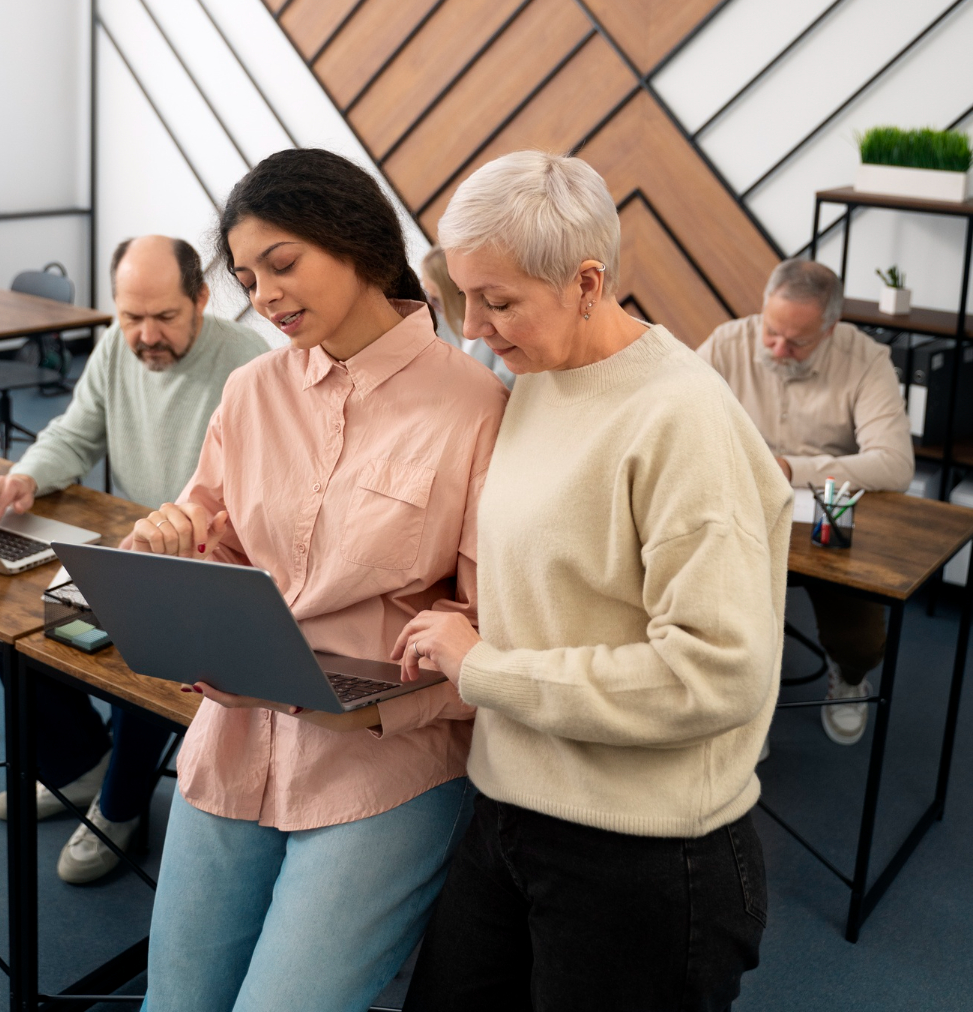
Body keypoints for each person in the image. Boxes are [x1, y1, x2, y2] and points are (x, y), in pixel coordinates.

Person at [393, 151, 790, 1012]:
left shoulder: (680, 418)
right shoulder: (541, 376)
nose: (472, 327)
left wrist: (483, 668)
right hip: (509, 805)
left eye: (497, 302)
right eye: (464, 295)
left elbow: (712, 672)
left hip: (641, 848)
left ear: (585, 281)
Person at [129, 149, 507, 1012]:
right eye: (245, 276)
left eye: (282, 264)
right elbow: (219, 549)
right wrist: (176, 550)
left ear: (358, 242)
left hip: (382, 765)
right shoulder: (250, 390)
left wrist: (371, 701)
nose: (262, 295)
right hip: (231, 740)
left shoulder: (475, 408)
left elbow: (488, 633)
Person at [0, 235, 266, 882]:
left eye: (165, 317)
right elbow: (75, 428)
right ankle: (79, 767)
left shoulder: (249, 367)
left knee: (145, 644)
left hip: (208, 563)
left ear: (202, 300)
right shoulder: (116, 349)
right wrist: (27, 478)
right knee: (2, 614)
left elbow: (260, 499)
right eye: (131, 317)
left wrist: (186, 539)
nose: (146, 335)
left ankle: (120, 806)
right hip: (129, 543)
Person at [698, 259, 914, 746]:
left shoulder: (866, 359)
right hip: (741, 512)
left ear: (830, 328)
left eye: (797, 342)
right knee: (715, 617)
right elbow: (674, 421)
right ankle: (744, 707)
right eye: (771, 332)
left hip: (828, 516)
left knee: (862, 642)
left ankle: (851, 678)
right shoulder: (726, 343)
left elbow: (896, 465)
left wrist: (794, 469)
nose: (779, 348)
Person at [421, 245, 514, 388]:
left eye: (436, 300)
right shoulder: (449, 330)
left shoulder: (499, 322)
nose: (433, 307)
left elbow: (506, 378)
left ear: (454, 294)